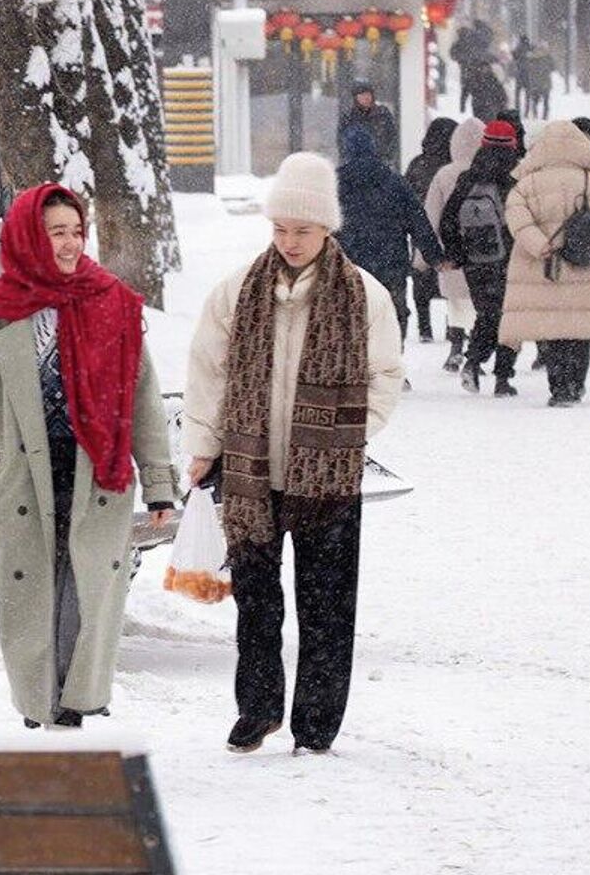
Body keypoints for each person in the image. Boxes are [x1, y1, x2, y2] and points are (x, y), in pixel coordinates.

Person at [182, 154, 404, 756]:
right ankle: (258, 710)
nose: (290, 241)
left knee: (327, 604)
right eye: (280, 229)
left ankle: (316, 723)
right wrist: (203, 447)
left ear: (327, 228)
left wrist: (351, 433)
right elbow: (208, 372)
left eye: (302, 230)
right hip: (251, 472)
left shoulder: (364, 295)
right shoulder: (238, 291)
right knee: (256, 600)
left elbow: (386, 374)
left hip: (327, 475)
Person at [0, 184, 178, 730]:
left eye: (77, 232)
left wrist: (160, 483)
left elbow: (142, 399)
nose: (71, 244)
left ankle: (74, 701)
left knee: (86, 588)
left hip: (94, 475)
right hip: (23, 479)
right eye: (57, 233)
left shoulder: (111, 303)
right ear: (30, 237)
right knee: (31, 592)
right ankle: (37, 703)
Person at [499, 121, 590, 407]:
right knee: (579, 331)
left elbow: (516, 217)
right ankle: (576, 384)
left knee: (552, 330)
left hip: (543, 267)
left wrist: (539, 244)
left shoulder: (527, 182)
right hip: (583, 265)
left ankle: (559, 388)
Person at [336, 126, 447, 350]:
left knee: (351, 315)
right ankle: (392, 363)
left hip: (349, 264)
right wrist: (434, 255)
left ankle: (356, 364)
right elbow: (418, 220)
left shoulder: (335, 183)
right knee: (393, 315)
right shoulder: (393, 181)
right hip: (391, 263)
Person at [438, 122, 522, 397]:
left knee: (487, 314)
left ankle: (473, 362)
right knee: (510, 316)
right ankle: (502, 377)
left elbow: (448, 219)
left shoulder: (468, 178)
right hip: (510, 258)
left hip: (477, 259)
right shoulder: (516, 177)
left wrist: (459, 254)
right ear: (512, 144)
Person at [425, 119, 488, 372]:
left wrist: (425, 254)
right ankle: (475, 349)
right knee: (479, 301)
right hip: (482, 249)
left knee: (456, 301)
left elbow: (431, 215)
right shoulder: (487, 171)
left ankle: (456, 346)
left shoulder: (444, 174)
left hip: (451, 248)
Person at [403, 118, 460, 342]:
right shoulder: (454, 166)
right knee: (451, 276)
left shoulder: (418, 163)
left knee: (421, 275)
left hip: (422, 226)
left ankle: (424, 327)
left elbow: (408, 193)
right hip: (450, 228)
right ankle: (452, 326)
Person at [336, 80, 401, 167]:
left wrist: (387, 158)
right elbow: (342, 141)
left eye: (368, 94)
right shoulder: (348, 117)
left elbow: (393, 136)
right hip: (356, 166)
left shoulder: (383, 114)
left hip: (381, 164)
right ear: (356, 97)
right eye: (362, 95)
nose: (366, 97)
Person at [523, 43, 556, 119]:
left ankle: (536, 116)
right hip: (544, 84)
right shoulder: (547, 58)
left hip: (536, 84)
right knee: (545, 102)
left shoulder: (532, 58)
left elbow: (528, 69)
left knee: (535, 102)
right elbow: (553, 68)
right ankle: (543, 117)